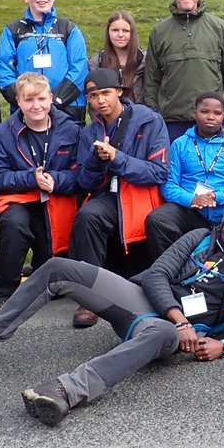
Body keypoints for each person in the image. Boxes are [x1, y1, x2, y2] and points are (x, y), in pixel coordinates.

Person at [0, 196, 224, 427]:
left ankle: (64, 392)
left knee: (159, 332)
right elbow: (157, 274)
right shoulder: (200, 237)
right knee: (57, 267)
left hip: (169, 335)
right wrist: (179, 317)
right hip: (147, 303)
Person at [69, 68, 169, 326]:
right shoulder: (89, 132)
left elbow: (158, 172)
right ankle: (89, 298)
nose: (100, 100)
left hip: (141, 195)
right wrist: (96, 161)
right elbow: (85, 182)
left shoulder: (149, 120)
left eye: (105, 93)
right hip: (110, 196)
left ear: (120, 92)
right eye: (93, 96)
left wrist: (117, 158)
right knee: (87, 216)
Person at [0, 72, 81, 320]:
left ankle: (44, 274)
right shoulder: (3, 133)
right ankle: (1, 293)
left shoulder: (72, 129)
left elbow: (81, 173)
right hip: (18, 198)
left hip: (56, 197)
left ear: (51, 98)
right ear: (18, 101)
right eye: (28, 100)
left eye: (40, 98)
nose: (35, 105)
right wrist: (30, 178)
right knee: (15, 226)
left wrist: (57, 180)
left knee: (50, 259)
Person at [144, 91, 224, 259]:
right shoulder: (179, 144)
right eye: (205, 111)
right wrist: (192, 200)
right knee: (158, 219)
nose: (211, 117)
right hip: (189, 208)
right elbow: (168, 184)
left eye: (217, 113)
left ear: (223, 116)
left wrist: (217, 196)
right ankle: (169, 267)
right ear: (194, 112)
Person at [145, 0, 224, 143]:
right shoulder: (159, 32)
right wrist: (156, 119)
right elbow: (151, 81)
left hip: (212, 124)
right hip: (170, 125)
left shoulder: (221, 29)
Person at [0, 0, 89, 124]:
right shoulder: (12, 31)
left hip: (68, 109)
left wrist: (55, 101)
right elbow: (4, 71)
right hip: (28, 111)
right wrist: (27, 102)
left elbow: (79, 69)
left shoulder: (69, 29)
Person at [89, 10, 145, 104]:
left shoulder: (144, 60)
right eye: (115, 30)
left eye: (125, 31)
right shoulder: (97, 62)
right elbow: (93, 96)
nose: (120, 35)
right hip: (109, 117)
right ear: (108, 32)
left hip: (141, 115)